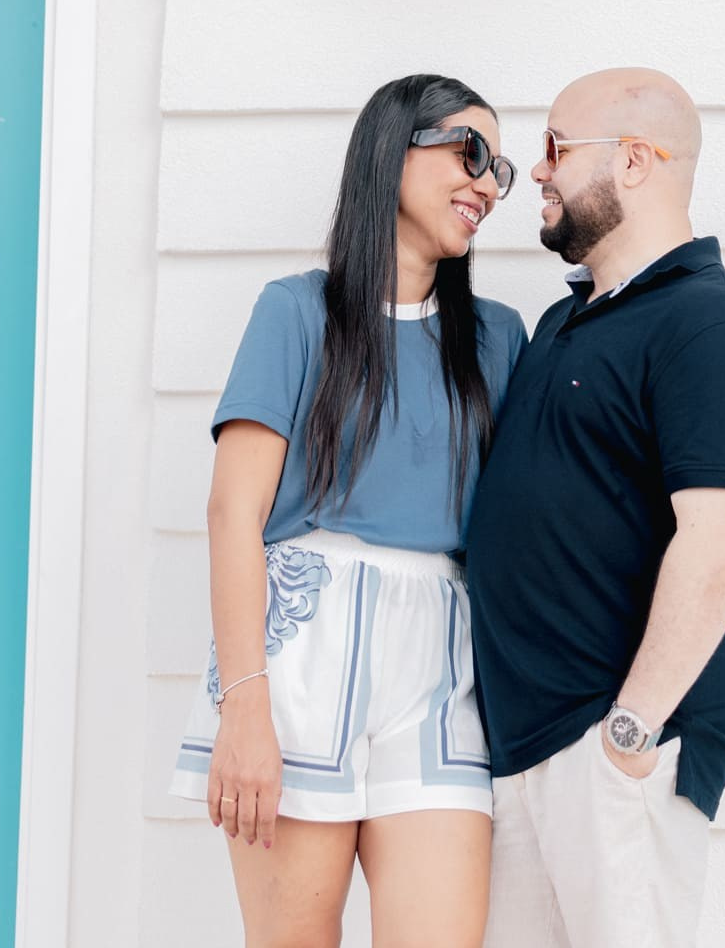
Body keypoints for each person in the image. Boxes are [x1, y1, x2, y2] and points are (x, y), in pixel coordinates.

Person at [169, 74, 529, 947]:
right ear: (391, 149)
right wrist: (245, 707)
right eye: (468, 151)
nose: (485, 182)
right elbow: (233, 513)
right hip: (297, 652)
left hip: (442, 663)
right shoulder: (295, 312)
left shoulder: (497, 337)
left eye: (500, 168)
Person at [466, 68, 725, 947]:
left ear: (637, 160)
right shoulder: (564, 322)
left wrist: (627, 734)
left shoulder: (713, 323)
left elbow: (720, 538)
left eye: (554, 148)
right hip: (528, 746)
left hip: (611, 744)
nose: (534, 171)